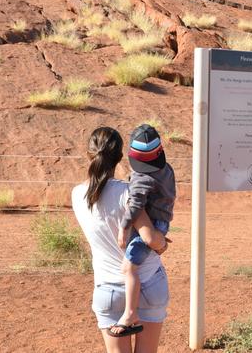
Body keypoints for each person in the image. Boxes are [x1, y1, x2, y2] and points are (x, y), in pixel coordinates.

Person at [72, 127, 170, 352]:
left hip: (108, 288)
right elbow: (150, 238)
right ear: (120, 157)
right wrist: (162, 243)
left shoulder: (77, 195)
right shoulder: (129, 193)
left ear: (89, 153)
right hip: (149, 283)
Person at [111, 124, 176, 337]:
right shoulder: (167, 169)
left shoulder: (141, 178)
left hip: (153, 226)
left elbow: (135, 206)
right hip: (163, 221)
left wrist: (124, 227)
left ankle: (130, 313)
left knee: (128, 269)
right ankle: (159, 242)